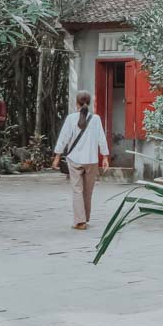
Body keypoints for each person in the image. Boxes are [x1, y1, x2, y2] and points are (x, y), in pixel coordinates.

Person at [52, 91, 109, 230]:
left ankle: (80, 221)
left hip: (75, 160)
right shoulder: (96, 119)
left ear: (76, 103)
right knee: (88, 191)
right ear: (89, 103)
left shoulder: (71, 119)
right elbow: (102, 138)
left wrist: (57, 156)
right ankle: (85, 218)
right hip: (91, 160)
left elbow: (63, 138)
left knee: (77, 190)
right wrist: (105, 156)